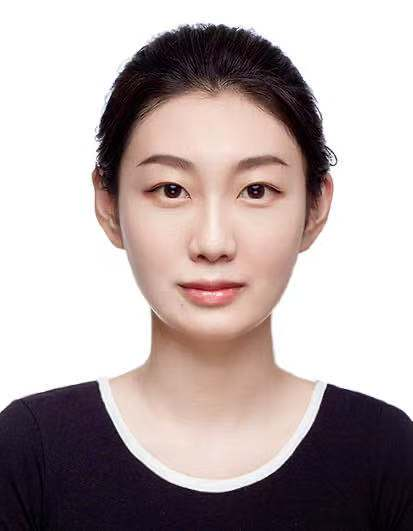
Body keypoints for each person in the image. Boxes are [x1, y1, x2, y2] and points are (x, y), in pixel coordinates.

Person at [1, 22, 412, 530]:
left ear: (315, 207)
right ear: (108, 206)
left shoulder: (384, 453)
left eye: (256, 190)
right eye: (171, 190)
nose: (213, 243)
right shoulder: (32, 452)